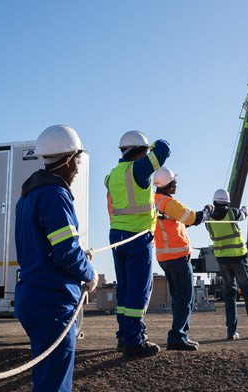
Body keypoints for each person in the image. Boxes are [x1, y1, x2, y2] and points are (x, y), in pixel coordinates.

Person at [15, 125, 98, 392]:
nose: (78, 169)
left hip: (33, 298)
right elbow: (66, 252)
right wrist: (90, 274)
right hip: (53, 302)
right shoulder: (55, 195)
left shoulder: (26, 198)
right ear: (67, 159)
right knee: (54, 385)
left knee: (46, 380)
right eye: (78, 161)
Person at [106, 130, 169, 357]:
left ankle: (124, 336)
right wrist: (151, 146)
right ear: (140, 151)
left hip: (117, 236)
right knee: (138, 289)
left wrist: (145, 147)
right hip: (137, 237)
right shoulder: (138, 169)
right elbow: (164, 148)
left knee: (124, 288)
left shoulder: (112, 174)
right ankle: (134, 342)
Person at [152, 166, 208, 351]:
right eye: (175, 182)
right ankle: (177, 337)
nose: (176, 185)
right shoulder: (168, 202)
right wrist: (207, 212)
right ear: (169, 185)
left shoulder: (153, 201)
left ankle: (180, 334)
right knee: (185, 298)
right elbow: (192, 218)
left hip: (164, 257)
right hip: (177, 257)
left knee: (178, 298)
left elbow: (173, 224)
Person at [206, 188, 248, 340]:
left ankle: (231, 332)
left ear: (214, 201)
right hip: (238, 258)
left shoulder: (208, 219)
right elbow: (243, 214)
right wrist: (244, 208)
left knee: (229, 296)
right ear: (227, 202)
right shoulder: (232, 213)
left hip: (223, 261)